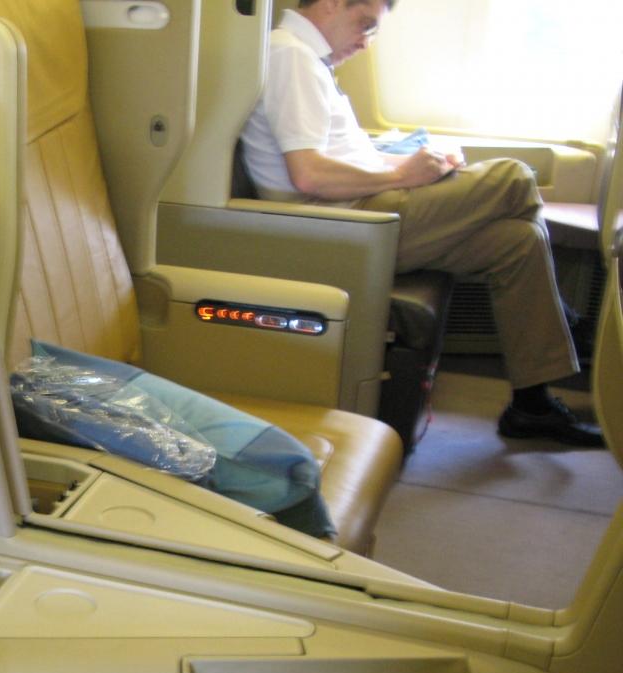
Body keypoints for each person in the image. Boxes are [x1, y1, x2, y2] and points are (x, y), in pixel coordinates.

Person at [239, 0, 603, 447]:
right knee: (515, 177)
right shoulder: (290, 55)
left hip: (360, 210)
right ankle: (573, 329)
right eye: (364, 25)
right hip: (343, 224)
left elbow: (343, 158)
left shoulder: (309, 59)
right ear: (331, 3)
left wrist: (420, 164)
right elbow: (309, 174)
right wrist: (402, 176)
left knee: (517, 240)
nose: (365, 43)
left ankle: (532, 406)